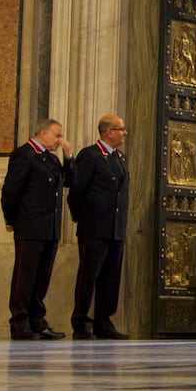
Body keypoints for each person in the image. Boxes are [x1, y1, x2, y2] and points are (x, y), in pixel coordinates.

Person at [1, 118, 74, 340]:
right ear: (43, 134)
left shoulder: (51, 159)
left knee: (42, 277)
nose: (60, 140)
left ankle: (37, 320)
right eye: (57, 135)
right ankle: (19, 322)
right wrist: (11, 219)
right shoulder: (25, 154)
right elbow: (11, 190)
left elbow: (69, 182)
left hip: (49, 227)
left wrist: (68, 157)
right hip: (30, 225)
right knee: (26, 275)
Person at [67, 114, 130, 339]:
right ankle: (81, 321)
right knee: (88, 276)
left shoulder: (120, 158)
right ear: (108, 132)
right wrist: (80, 216)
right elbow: (76, 191)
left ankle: (104, 321)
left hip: (115, 228)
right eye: (121, 129)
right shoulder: (91, 156)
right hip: (94, 227)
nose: (124, 133)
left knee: (111, 277)